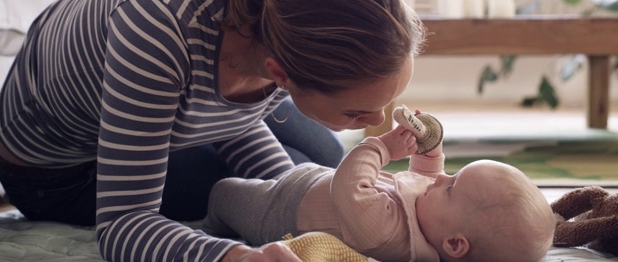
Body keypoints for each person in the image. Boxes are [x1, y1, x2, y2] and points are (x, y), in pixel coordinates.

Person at [0, 0, 426, 262]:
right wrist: (239, 256)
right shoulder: (158, 30)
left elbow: (229, 118)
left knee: (321, 154)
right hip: (58, 171)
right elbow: (122, 227)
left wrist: (299, 198)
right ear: (280, 73)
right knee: (256, 188)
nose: (376, 120)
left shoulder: (274, 11)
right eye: (356, 111)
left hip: (159, 110)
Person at [204, 112, 557, 262]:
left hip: (277, 209)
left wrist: (382, 148)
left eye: (452, 186)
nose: (443, 178)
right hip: (304, 180)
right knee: (259, 149)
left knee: (226, 192)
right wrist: (430, 151)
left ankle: (210, 228)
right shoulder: (434, 220)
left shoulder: (388, 235)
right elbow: (424, 178)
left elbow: (348, 184)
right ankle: (227, 120)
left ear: (454, 244)